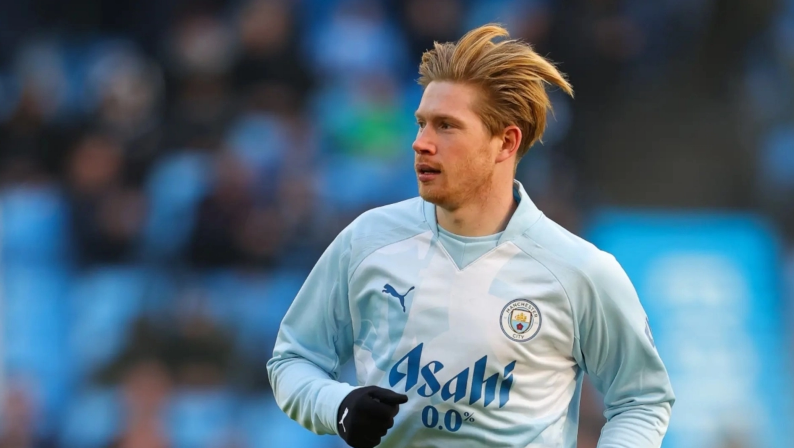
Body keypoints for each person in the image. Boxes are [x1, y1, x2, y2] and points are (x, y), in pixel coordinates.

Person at [267, 24, 674, 448]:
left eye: (446, 126)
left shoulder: (579, 270)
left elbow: (642, 399)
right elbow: (293, 358)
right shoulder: (367, 240)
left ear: (506, 142)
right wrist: (337, 405)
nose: (421, 143)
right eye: (421, 124)